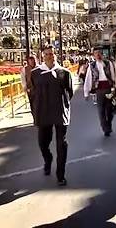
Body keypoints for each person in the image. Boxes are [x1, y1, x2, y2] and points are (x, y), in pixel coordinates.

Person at [31, 45, 73, 186]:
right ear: (43, 56)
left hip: (60, 113)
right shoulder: (35, 73)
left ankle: (60, 175)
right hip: (43, 113)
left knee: (62, 144)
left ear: (55, 55)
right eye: (47, 54)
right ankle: (48, 159)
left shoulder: (64, 72)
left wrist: (63, 104)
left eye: (52, 53)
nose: (50, 56)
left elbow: (70, 92)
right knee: (43, 143)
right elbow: (32, 94)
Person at [84, 48, 115, 137]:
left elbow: (113, 75)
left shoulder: (108, 63)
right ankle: (105, 128)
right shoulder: (92, 66)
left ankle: (108, 124)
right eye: (96, 53)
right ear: (93, 55)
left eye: (99, 53)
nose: (98, 55)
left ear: (102, 54)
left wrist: (115, 86)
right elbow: (88, 79)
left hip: (108, 88)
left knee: (109, 109)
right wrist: (86, 93)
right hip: (99, 89)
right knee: (101, 110)